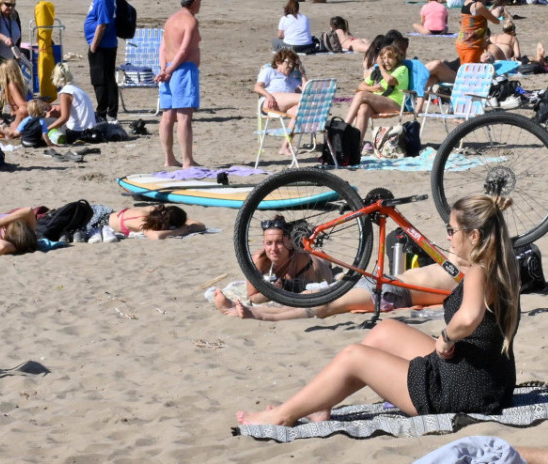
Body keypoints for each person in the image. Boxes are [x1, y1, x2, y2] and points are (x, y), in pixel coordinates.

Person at [236, 194, 521, 426]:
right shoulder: (500, 265)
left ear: (473, 236)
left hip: (463, 391)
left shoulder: (479, 273)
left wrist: (446, 337)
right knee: (385, 331)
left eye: (452, 230)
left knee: (354, 357)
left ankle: (281, 415)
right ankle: (320, 406)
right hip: (489, 379)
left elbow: (469, 316)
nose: (448, 237)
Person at [214, 263, 457, 321]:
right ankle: (252, 309)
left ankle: (256, 315)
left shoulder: (475, 278)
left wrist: (431, 308)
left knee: (325, 305)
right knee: (311, 297)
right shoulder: (464, 263)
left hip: (395, 295)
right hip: (385, 280)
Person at [157, 0, 204, 168]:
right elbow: (183, 50)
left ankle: (169, 158)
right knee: (184, 117)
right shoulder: (190, 21)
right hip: (182, 70)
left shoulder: (170, 20)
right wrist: (169, 71)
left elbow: (163, 47)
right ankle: (187, 160)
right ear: (194, 1)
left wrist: (163, 69)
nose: (201, 3)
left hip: (168, 67)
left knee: (167, 115)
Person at [343, 45, 408, 143]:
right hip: (380, 103)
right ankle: (357, 145)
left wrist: (381, 68)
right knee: (364, 108)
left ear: (396, 58)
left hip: (395, 104)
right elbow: (361, 86)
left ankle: (345, 127)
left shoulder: (401, 69)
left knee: (361, 95)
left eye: (390, 58)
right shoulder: (377, 73)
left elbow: (390, 80)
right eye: (384, 58)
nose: (386, 61)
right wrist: (372, 88)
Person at [80, 0, 119, 123]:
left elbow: (102, 24)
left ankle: (104, 111)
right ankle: (107, 110)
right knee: (104, 78)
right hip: (104, 44)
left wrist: (93, 46)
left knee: (101, 79)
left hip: (103, 45)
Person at [46, 62, 96, 144]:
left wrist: (47, 129)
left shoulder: (65, 92)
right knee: (57, 112)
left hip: (78, 132)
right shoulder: (76, 88)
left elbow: (64, 118)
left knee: (49, 125)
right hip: (91, 130)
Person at [457, 0, 500, 65]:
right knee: (470, 70)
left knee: (465, 67)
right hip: (472, 44)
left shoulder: (467, 2)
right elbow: (496, 21)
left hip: (462, 40)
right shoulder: (479, 6)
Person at [254, 48, 305, 118]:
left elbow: (306, 90)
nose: (291, 66)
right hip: (270, 102)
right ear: (278, 62)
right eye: (288, 62)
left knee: (300, 111)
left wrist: (302, 73)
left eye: (293, 63)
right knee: (306, 99)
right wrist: (268, 96)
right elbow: (257, 87)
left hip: (286, 106)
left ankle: (290, 129)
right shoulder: (270, 71)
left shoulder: (291, 78)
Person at [0, 58, 29, 132]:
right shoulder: (12, 85)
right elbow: (21, 104)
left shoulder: (9, 85)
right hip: (17, 118)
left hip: (13, 117)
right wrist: (38, 104)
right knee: (25, 109)